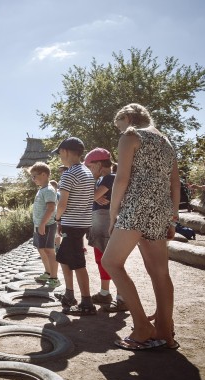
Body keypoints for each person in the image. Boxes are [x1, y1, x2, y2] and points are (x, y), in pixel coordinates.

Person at [102, 103, 180, 350]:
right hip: (160, 209)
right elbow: (175, 182)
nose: (120, 131)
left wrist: (113, 213)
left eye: (119, 125)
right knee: (160, 272)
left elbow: (122, 178)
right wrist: (172, 216)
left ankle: (143, 326)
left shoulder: (131, 135)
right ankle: (166, 333)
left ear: (126, 117)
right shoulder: (166, 141)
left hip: (136, 206)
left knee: (111, 262)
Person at [51, 137, 95, 315]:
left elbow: (62, 203)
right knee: (64, 258)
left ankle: (87, 303)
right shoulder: (87, 172)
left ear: (66, 151)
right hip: (82, 222)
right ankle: (69, 295)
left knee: (78, 263)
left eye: (60, 153)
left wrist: (57, 218)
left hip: (72, 223)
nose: (59, 157)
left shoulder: (68, 174)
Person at [83, 148, 127, 312]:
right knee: (101, 259)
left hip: (106, 222)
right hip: (99, 222)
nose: (89, 170)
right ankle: (104, 292)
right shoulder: (102, 180)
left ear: (99, 164)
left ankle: (122, 297)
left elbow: (89, 197)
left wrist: (93, 192)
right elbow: (92, 196)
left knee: (111, 261)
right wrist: (94, 192)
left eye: (90, 166)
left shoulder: (109, 178)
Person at [28, 162, 60, 289]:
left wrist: (42, 224)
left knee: (49, 251)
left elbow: (51, 208)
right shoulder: (41, 189)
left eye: (34, 176)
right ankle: (48, 272)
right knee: (41, 249)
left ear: (44, 174)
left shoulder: (49, 189)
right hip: (40, 225)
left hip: (47, 225)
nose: (33, 179)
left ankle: (54, 278)